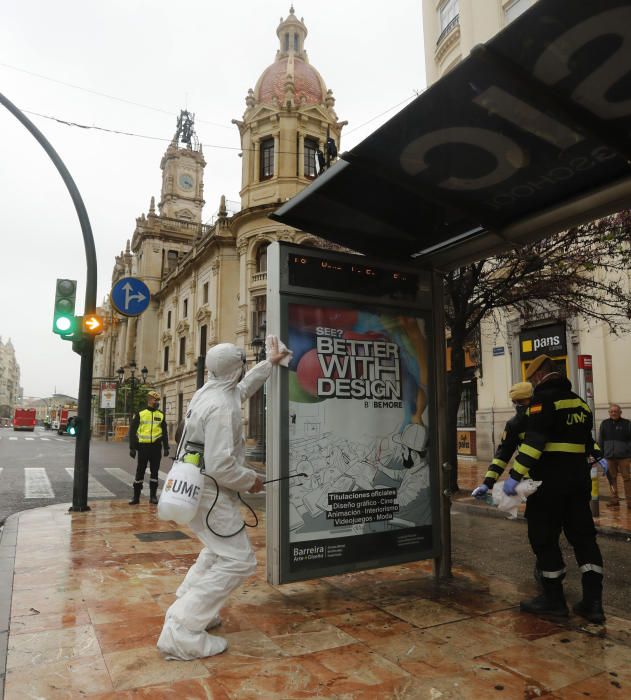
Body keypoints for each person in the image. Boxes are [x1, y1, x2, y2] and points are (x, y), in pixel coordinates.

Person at [157, 338, 289, 660]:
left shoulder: (208, 391)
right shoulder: (221, 406)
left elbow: (241, 390)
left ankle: (195, 603)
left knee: (218, 551)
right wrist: (252, 480)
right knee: (238, 560)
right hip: (212, 491)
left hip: (195, 485)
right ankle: (182, 631)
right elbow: (220, 465)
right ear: (236, 369)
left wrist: (269, 363)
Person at [503, 354, 605, 624]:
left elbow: (534, 443)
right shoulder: (581, 404)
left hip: (549, 484)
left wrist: (514, 477)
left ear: (538, 376)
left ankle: (553, 600)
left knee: (543, 537)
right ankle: (593, 604)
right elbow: (588, 444)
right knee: (584, 539)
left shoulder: (543, 400)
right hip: (578, 483)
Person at [471, 381, 533, 500]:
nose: (518, 405)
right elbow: (502, 455)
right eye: (516, 402)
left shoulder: (519, 422)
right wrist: (487, 483)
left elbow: (502, 455)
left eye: (521, 401)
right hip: (533, 480)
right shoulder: (515, 424)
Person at [129, 390, 169, 505]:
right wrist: (132, 447)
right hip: (143, 447)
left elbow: (164, 432)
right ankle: (136, 497)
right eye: (156, 400)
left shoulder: (160, 414)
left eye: (158, 400)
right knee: (140, 471)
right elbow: (132, 431)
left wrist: (166, 447)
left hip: (156, 448)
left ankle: (153, 496)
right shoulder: (141, 413)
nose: (157, 402)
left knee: (154, 472)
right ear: (150, 400)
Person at [598, 403, 631, 508]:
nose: (613, 413)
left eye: (615, 411)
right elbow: (601, 440)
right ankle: (614, 499)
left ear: (620, 412)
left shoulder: (627, 423)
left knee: (626, 479)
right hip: (609, 457)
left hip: (624, 457)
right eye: (611, 411)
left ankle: (629, 501)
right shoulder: (604, 423)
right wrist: (601, 454)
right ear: (609, 413)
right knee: (612, 479)